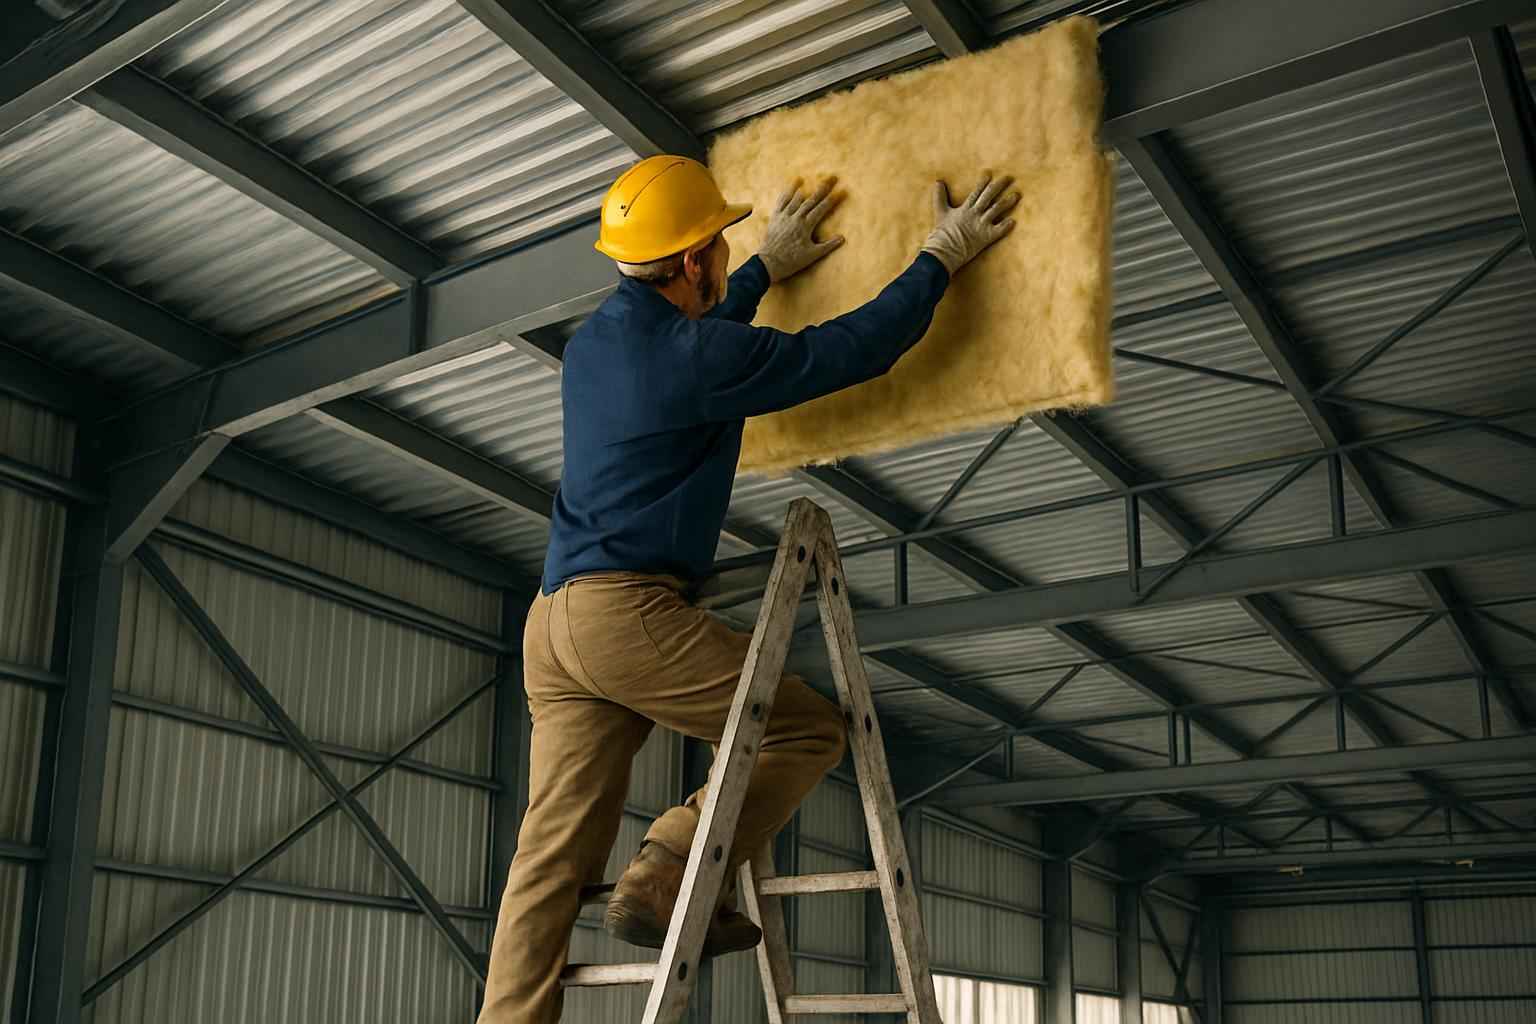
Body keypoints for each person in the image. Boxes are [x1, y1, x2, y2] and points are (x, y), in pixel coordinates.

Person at [479, 155, 1019, 1023]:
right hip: (626, 616)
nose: (728, 256)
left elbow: (696, 351)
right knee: (808, 728)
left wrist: (765, 266)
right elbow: (852, 350)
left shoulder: (595, 345)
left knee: (546, 862)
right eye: (724, 246)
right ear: (694, 261)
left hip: (552, 623)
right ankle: (671, 863)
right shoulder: (693, 355)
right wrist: (938, 260)